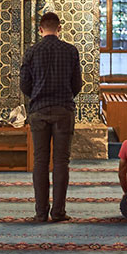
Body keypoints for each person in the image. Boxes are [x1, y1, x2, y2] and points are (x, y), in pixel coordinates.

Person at [19, 11, 82, 222]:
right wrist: (64, 96)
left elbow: (24, 84)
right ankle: (58, 212)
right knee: (61, 162)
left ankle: (40, 213)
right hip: (64, 110)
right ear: (59, 28)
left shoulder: (31, 52)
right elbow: (77, 84)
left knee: (40, 161)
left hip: (39, 111)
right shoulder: (71, 51)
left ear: (40, 29)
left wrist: (38, 95)